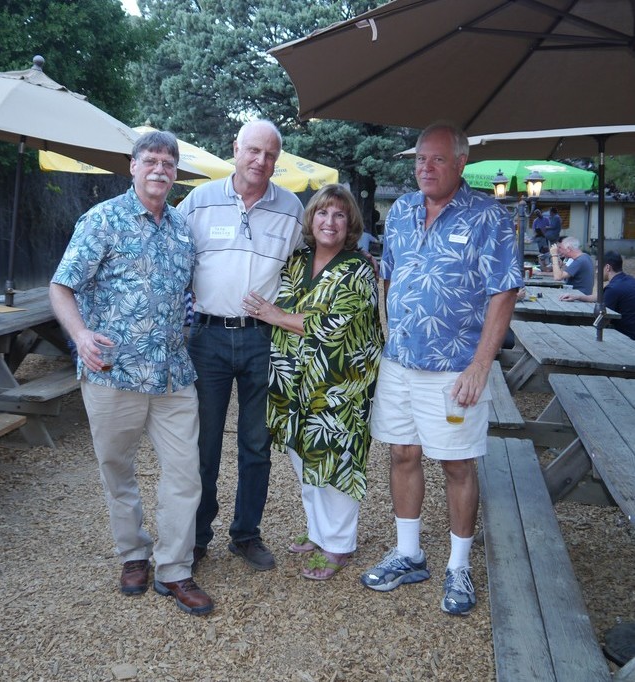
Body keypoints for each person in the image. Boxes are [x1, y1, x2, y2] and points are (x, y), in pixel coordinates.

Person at [49, 131, 213, 616]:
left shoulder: (182, 227)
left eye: (168, 162)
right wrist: (80, 335)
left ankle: (174, 568)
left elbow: (192, 292)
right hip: (113, 373)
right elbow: (61, 286)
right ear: (133, 166)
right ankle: (133, 554)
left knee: (185, 472)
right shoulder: (102, 220)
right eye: (151, 160)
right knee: (117, 469)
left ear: (175, 172)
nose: (160, 169)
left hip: (173, 376)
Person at [360, 122, 521, 616]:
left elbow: (504, 291)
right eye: (419, 159)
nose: (425, 168)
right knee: (402, 453)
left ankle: (458, 564)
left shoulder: (489, 216)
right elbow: (390, 276)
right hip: (400, 362)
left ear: (461, 163)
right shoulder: (402, 211)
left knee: (457, 463)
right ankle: (409, 554)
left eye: (437, 160)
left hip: (456, 368)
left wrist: (481, 365)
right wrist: (395, 332)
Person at [177, 120, 304, 573]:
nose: (260, 161)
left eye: (270, 155)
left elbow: (307, 268)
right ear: (236, 149)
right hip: (207, 336)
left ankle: (246, 534)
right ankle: (197, 537)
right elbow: (172, 255)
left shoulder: (291, 209)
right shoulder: (199, 201)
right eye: (253, 150)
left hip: (261, 338)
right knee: (203, 444)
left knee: (256, 443)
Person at [242, 184, 383, 581]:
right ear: (311, 218)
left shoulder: (357, 269)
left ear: (350, 224)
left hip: (340, 386)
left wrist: (275, 316)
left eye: (339, 215)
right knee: (304, 458)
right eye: (322, 213)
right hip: (293, 382)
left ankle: (339, 545)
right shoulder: (297, 259)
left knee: (335, 463)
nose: (330, 222)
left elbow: (335, 325)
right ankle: (320, 531)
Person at [560, 250, 635, 340]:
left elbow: (603, 320)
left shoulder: (613, 288)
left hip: (626, 337)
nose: (596, 272)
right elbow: (600, 297)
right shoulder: (628, 280)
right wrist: (578, 297)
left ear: (608, 267)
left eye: (598, 267)